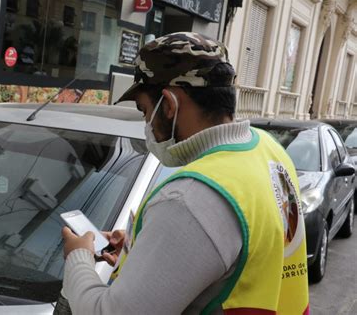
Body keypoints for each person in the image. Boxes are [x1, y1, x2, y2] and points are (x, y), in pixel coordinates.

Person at [60, 32, 309, 314]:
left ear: (168, 105)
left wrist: (78, 256)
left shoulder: (190, 199)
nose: (146, 123)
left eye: (144, 111)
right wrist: (142, 252)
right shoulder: (270, 150)